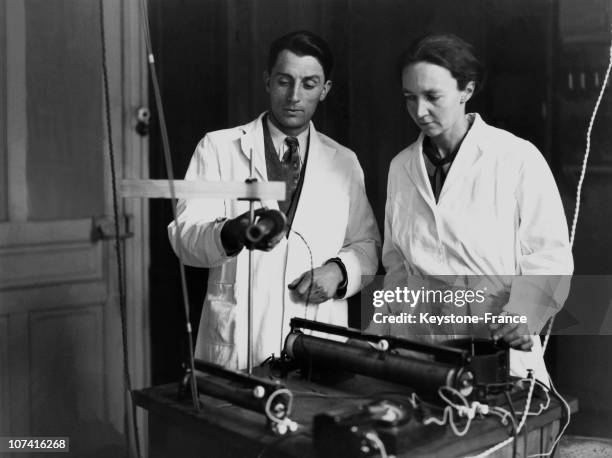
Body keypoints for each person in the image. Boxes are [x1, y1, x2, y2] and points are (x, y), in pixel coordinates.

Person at [168, 31, 381, 370]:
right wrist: (230, 232)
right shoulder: (218, 148)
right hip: (238, 344)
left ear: (325, 90)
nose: (294, 96)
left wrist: (339, 271)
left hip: (317, 342)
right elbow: (184, 236)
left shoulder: (344, 162)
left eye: (309, 84)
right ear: (268, 81)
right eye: (284, 81)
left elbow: (367, 245)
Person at [375, 34, 573, 383]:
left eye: (432, 97)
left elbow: (549, 255)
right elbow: (396, 264)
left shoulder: (516, 158)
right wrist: (383, 334)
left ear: (466, 90)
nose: (419, 111)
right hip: (420, 348)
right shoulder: (401, 167)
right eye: (410, 97)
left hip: (495, 344)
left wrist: (525, 315)